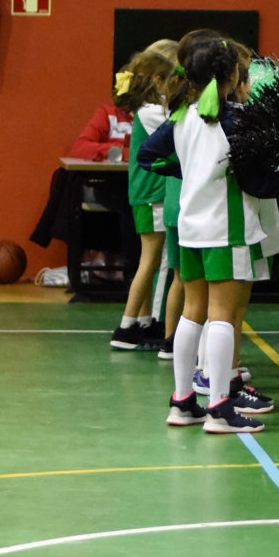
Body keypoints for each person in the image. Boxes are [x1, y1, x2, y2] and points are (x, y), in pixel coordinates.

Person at [139, 30, 279, 433]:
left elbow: (147, 156)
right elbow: (258, 183)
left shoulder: (180, 117)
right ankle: (220, 407)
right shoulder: (238, 121)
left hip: (190, 230)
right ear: (233, 76)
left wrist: (189, 171)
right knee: (222, 316)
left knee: (193, 314)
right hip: (227, 229)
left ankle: (182, 402)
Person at [109, 41, 177, 352]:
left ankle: (143, 321)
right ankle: (129, 327)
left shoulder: (150, 109)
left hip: (148, 194)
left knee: (150, 261)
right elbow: (178, 127)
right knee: (154, 262)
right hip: (152, 194)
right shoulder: (152, 111)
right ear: (157, 80)